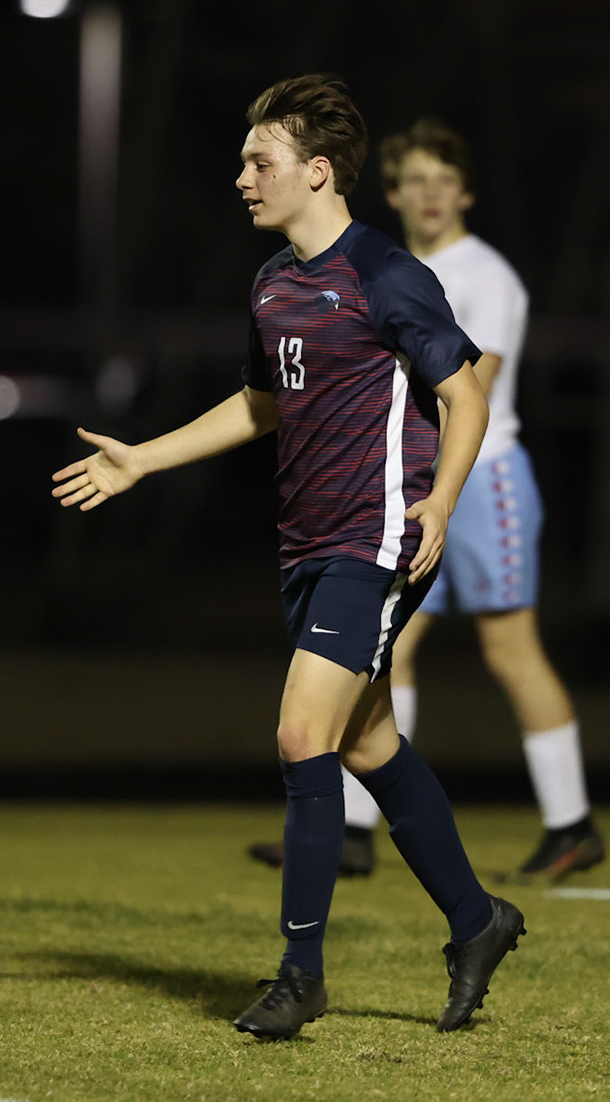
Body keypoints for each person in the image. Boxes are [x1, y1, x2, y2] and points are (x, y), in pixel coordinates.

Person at [52, 75, 525, 1039]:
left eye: (258, 163)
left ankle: (300, 975)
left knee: (303, 735)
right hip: (307, 545)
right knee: (367, 744)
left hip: (380, 536)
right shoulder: (273, 284)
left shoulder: (386, 273)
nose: (241, 179)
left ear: (317, 172)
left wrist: (440, 500)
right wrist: (143, 457)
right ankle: (478, 921)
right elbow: (263, 405)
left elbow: (465, 394)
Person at [246, 118, 603, 882]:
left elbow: (472, 390)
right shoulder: (382, 265)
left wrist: (425, 483)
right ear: (394, 191)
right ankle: (351, 829)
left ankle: (572, 822)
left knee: (511, 652)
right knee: (383, 655)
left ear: (465, 193)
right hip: (402, 487)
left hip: (481, 481)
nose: (430, 195)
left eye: (445, 182)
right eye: (415, 182)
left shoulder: (485, 274)